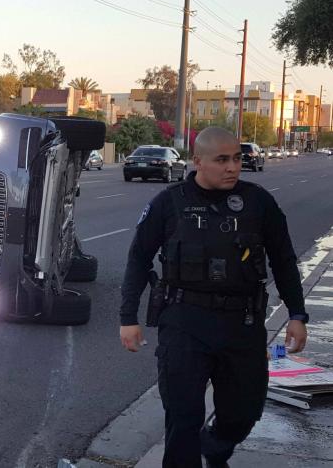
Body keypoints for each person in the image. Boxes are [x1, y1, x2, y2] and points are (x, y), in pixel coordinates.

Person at [118, 127, 309, 467]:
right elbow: (138, 259)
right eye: (222, 160)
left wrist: (296, 313)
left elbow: (283, 259)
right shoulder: (169, 203)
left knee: (243, 413)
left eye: (236, 158)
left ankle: (217, 444)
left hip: (242, 324)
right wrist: (128, 318)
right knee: (182, 417)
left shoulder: (258, 201)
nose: (232, 167)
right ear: (198, 161)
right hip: (184, 322)